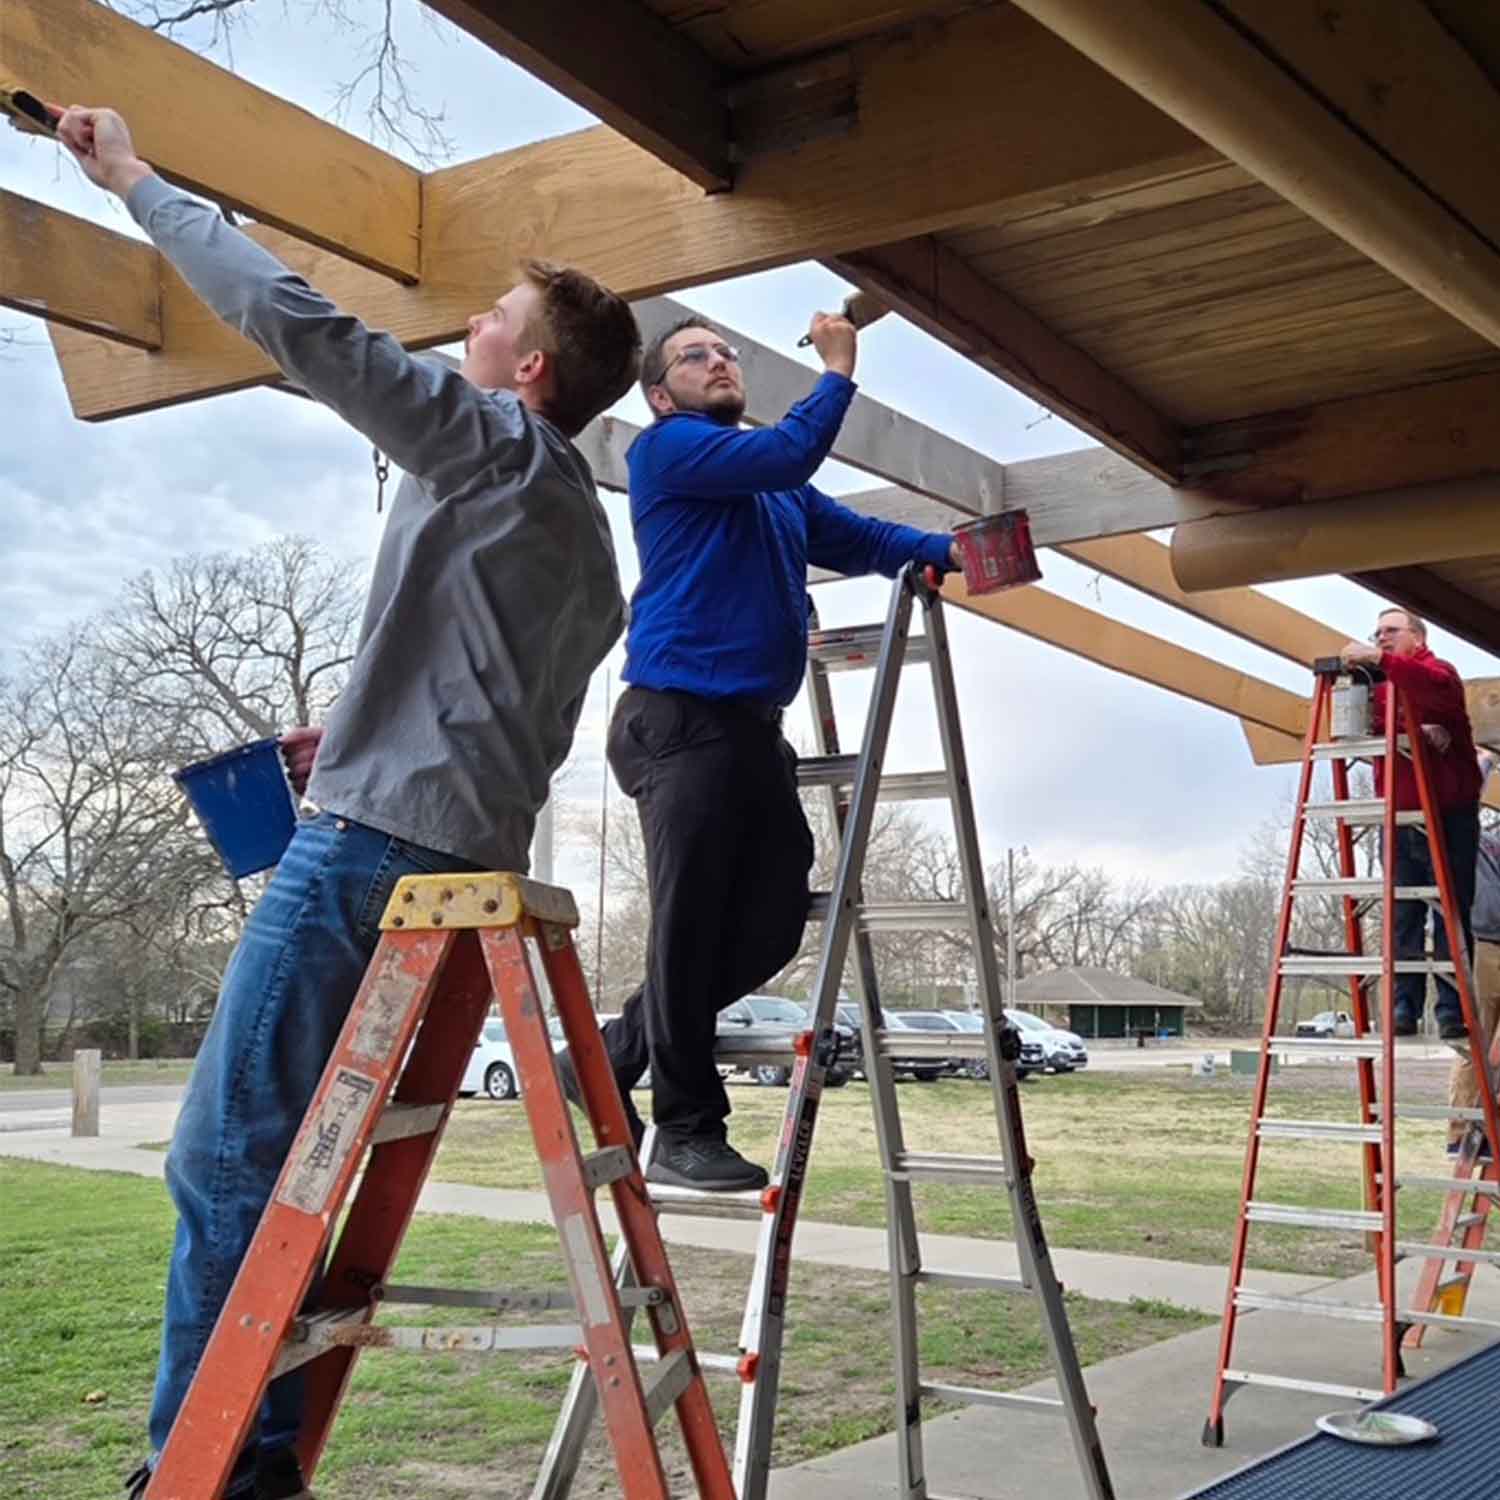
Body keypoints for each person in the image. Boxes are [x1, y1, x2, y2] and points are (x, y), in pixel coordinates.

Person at [55, 106, 640, 1500]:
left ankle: (220, 1479)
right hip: (461, 851)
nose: (470, 332)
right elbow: (502, 695)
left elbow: (292, 316)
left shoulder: (491, 444)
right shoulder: (585, 534)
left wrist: (134, 174)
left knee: (222, 1159)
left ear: (532, 370)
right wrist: (371, 728)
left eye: (493, 319)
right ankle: (246, 1459)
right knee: (280, 1161)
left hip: (369, 854)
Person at [570, 311, 961, 1193]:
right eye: (696, 356)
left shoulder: (772, 487)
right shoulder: (665, 452)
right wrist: (838, 368)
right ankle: (686, 1128)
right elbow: (790, 453)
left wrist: (954, 551)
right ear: (663, 393)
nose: (721, 361)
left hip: (750, 729)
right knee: (687, 926)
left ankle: (606, 1055)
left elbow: (861, 539)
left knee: (773, 922)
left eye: (728, 352)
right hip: (679, 718)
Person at [1342, 607, 1482, 1040]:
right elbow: (1365, 727)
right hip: (1400, 818)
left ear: (1417, 638)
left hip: (1447, 814)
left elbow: (1433, 691)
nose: (1382, 638)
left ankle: (1451, 1011)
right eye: (1377, 632)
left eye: (1391, 631)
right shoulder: (1381, 685)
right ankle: (1403, 1007)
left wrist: (1378, 661)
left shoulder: (1437, 672)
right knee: (1403, 915)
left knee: (1449, 913)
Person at [1449, 753, 1500, 1159]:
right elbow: (1468, 795)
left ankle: (1488, 1124)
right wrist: (1485, 761)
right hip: (1482, 945)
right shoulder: (1471, 842)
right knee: (1475, 1042)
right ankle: (1462, 1129)